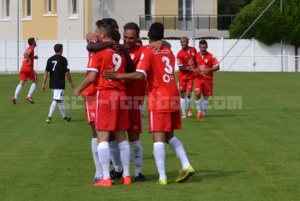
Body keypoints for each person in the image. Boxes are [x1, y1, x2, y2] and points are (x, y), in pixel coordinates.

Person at [103, 22, 194, 185]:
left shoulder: (148, 51)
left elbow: (139, 75)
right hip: (173, 95)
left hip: (159, 97)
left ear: (147, 37)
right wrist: (163, 42)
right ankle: (186, 165)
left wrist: (116, 76)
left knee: (157, 137)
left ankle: (162, 177)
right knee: (169, 136)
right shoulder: (169, 50)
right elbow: (165, 44)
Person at [74, 19, 131, 187]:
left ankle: (105, 177)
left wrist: (78, 89)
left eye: (97, 32)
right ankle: (126, 175)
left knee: (102, 136)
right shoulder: (120, 51)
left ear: (103, 34)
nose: (95, 34)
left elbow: (92, 77)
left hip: (105, 94)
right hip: (121, 94)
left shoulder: (99, 52)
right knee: (121, 137)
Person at [42, 44, 74, 123]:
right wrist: (71, 82)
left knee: (60, 100)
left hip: (52, 83)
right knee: (56, 99)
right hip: (59, 83)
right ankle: (49, 117)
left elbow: (46, 73)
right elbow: (67, 73)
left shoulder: (50, 59)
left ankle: (65, 117)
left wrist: (43, 84)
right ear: (61, 50)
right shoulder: (63, 59)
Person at [194, 39, 220, 118]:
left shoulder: (211, 56)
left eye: (204, 47)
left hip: (208, 79)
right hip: (198, 78)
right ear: (199, 47)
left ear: (207, 47)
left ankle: (203, 113)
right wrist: (195, 70)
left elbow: (217, 67)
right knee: (198, 94)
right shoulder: (195, 56)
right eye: (201, 47)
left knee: (206, 96)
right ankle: (199, 112)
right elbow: (192, 66)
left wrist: (209, 69)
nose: (203, 49)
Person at [12, 38, 38, 104]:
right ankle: (29, 96)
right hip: (29, 68)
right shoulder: (31, 48)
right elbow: (25, 54)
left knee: (21, 83)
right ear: (33, 43)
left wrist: (33, 57)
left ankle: (15, 97)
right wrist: (30, 60)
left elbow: (27, 55)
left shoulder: (30, 49)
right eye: (35, 41)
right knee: (35, 81)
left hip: (23, 68)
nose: (35, 42)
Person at [176, 37, 197, 118]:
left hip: (191, 76)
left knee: (188, 94)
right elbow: (181, 67)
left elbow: (196, 60)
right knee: (182, 94)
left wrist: (197, 70)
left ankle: (189, 108)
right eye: (181, 42)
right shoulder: (179, 54)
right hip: (182, 77)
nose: (182, 44)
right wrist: (192, 69)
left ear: (188, 42)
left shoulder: (193, 50)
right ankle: (184, 112)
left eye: (184, 42)